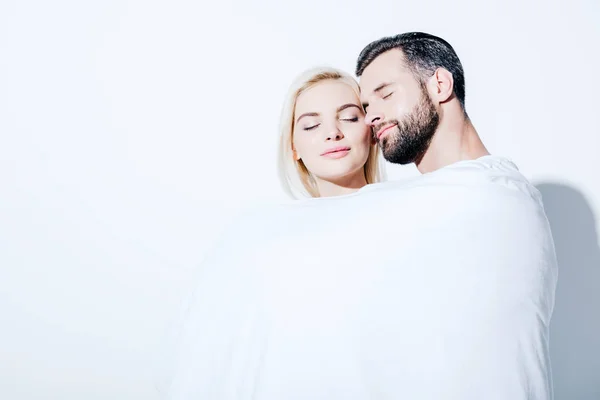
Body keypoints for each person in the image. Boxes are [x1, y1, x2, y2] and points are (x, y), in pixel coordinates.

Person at [160, 34, 558, 400]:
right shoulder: (262, 232)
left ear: (440, 85)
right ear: (292, 145)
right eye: (311, 125)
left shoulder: (465, 202)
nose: (372, 117)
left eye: (357, 113)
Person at [278, 66, 384, 198]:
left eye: (349, 118)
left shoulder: (408, 208)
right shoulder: (278, 218)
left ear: (372, 131)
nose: (333, 133)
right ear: (293, 147)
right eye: (311, 125)